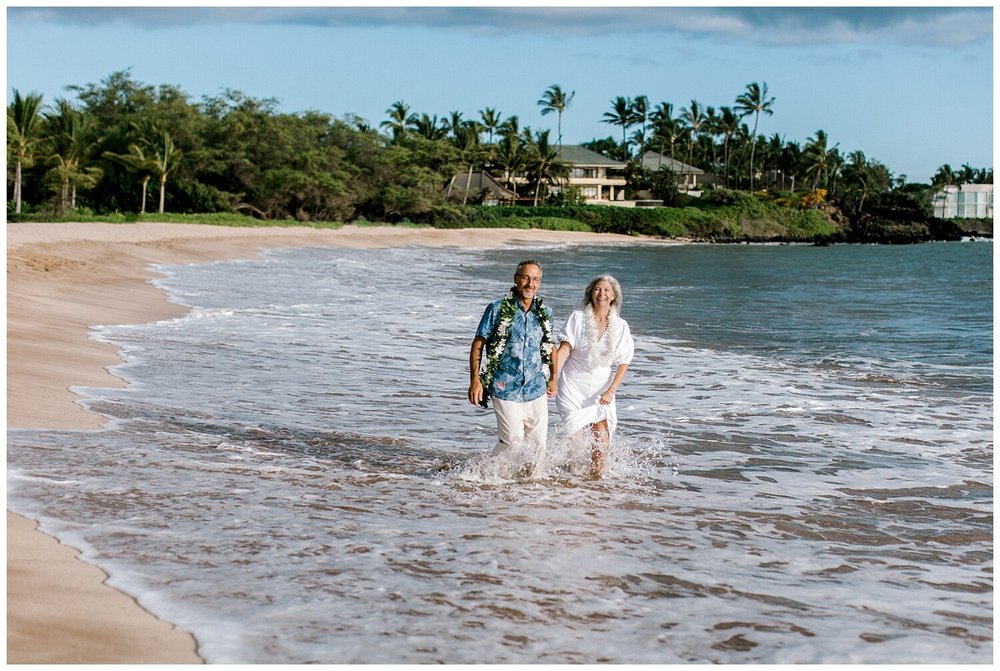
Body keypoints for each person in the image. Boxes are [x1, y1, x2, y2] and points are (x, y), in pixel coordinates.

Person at [468, 260, 557, 464]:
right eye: (525, 277)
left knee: (538, 448)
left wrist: (554, 378)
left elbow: (550, 345)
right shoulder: (497, 309)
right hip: (504, 385)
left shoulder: (546, 313)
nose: (529, 284)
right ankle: (486, 471)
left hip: (536, 387)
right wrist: (475, 380)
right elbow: (478, 343)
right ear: (516, 279)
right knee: (512, 440)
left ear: (540, 283)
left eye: (535, 279)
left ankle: (530, 487)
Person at [554, 275, 635, 478]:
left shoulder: (621, 326)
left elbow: (624, 361)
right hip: (572, 384)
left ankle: (595, 478)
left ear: (614, 296)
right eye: (598, 289)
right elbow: (564, 350)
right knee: (575, 436)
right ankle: (570, 477)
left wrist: (611, 390)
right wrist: (552, 376)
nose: (602, 294)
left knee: (601, 433)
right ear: (591, 293)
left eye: (607, 290)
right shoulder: (578, 318)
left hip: (601, 388)